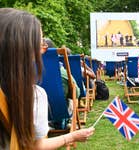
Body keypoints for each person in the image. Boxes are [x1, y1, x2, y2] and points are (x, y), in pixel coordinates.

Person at [0, 8, 94, 149]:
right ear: (25, 51)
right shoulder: (33, 96)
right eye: (40, 44)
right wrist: (72, 136)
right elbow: (37, 146)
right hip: (60, 109)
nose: (43, 50)